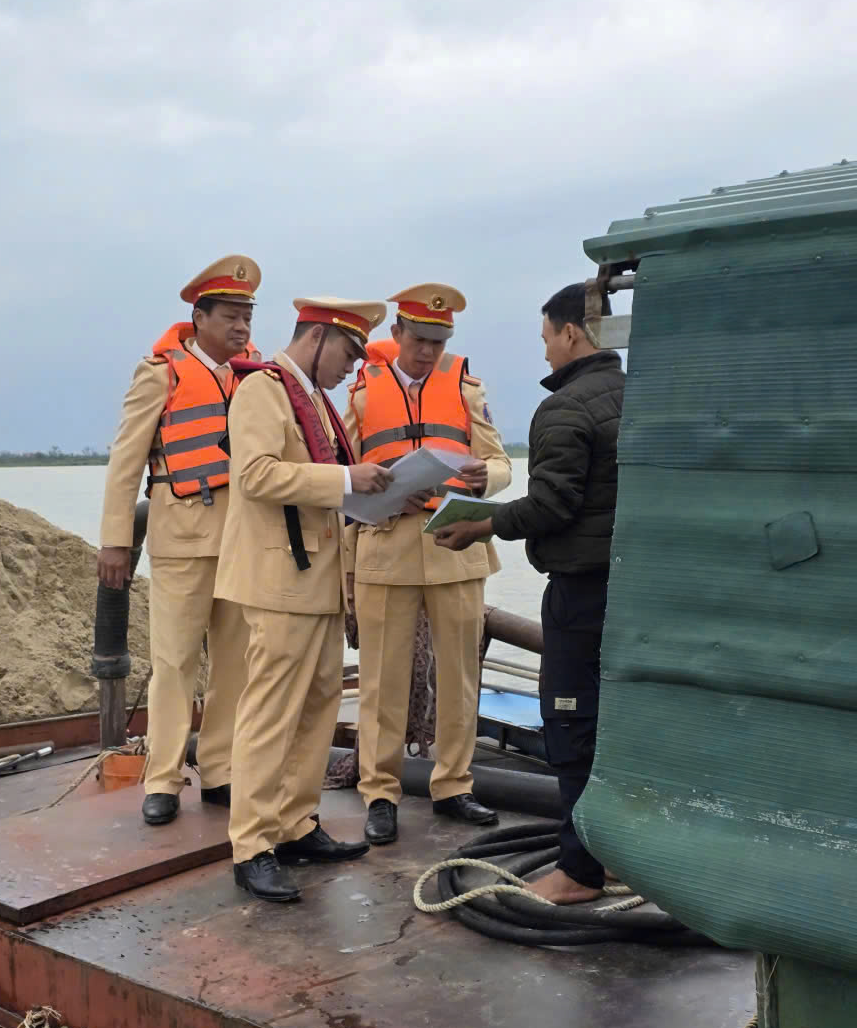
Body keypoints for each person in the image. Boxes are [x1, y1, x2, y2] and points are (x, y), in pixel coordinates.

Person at [435, 282, 625, 903]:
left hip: (580, 594)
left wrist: (481, 525)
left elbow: (552, 502)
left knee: (570, 725)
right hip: (630, 592)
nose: (545, 353)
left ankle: (578, 871)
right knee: (620, 728)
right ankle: (623, 855)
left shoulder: (565, 408)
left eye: (546, 338)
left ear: (570, 332)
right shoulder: (636, 395)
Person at [215, 296, 390, 902]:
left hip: (315, 578)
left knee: (318, 705)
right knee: (269, 712)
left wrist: (367, 489)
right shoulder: (263, 390)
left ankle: (294, 822)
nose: (350, 368)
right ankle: (252, 844)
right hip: (278, 580)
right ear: (317, 336)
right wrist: (346, 480)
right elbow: (256, 474)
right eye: (346, 353)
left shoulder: (314, 399)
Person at [345, 287, 512, 846]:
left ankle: (454, 785)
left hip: (454, 546)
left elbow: (500, 464)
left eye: (439, 342)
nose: (428, 353)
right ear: (397, 334)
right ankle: (380, 792)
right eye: (419, 341)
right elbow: (339, 469)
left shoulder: (465, 385)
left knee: (460, 678)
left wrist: (486, 478)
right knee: (381, 681)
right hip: (386, 546)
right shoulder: (364, 394)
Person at [98, 256, 261, 827]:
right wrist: (117, 539)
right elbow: (125, 460)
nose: (242, 328)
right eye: (231, 317)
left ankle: (220, 770)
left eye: (248, 317)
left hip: (242, 541)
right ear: (199, 317)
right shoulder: (160, 373)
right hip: (180, 536)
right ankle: (163, 778)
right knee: (174, 662)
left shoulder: (256, 378)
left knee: (236, 664)